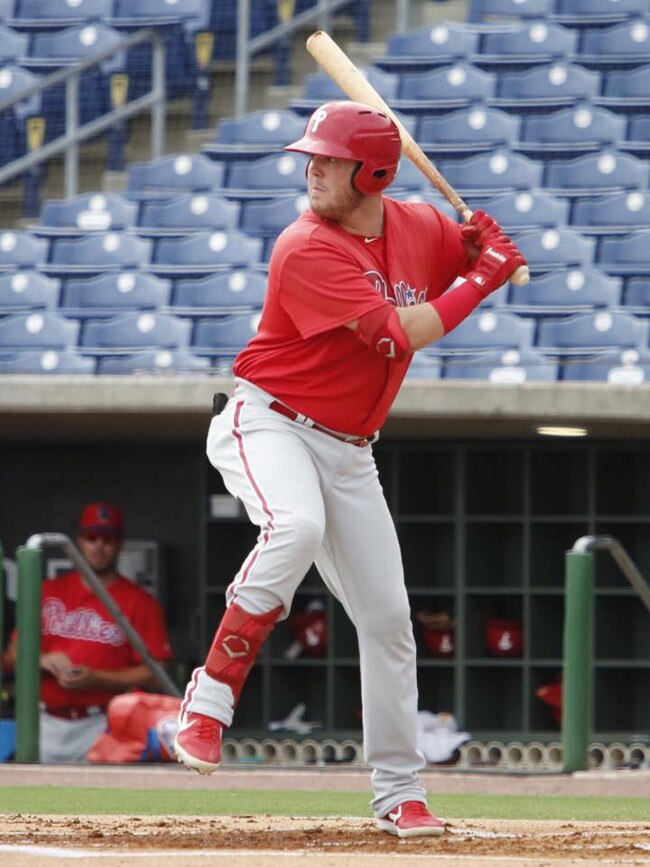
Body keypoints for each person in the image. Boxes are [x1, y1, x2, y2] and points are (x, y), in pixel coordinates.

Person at [174, 100, 526, 837]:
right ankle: (210, 699)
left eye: (330, 160)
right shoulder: (305, 245)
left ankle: (401, 790)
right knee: (294, 525)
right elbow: (398, 336)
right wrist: (483, 279)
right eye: (314, 157)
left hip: (351, 448)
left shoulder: (418, 226)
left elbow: (462, 254)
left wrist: (479, 248)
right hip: (270, 420)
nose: (313, 169)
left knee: (390, 619)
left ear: (373, 172)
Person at [6, 502, 172, 763]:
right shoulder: (48, 591)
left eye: (107, 538)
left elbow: (155, 674)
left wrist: (96, 678)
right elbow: (14, 653)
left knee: (98, 800)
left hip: (101, 721)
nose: (98, 545)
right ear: (79, 540)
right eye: (91, 537)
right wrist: (44, 659)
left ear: (119, 544)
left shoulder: (140, 602)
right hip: (44, 720)